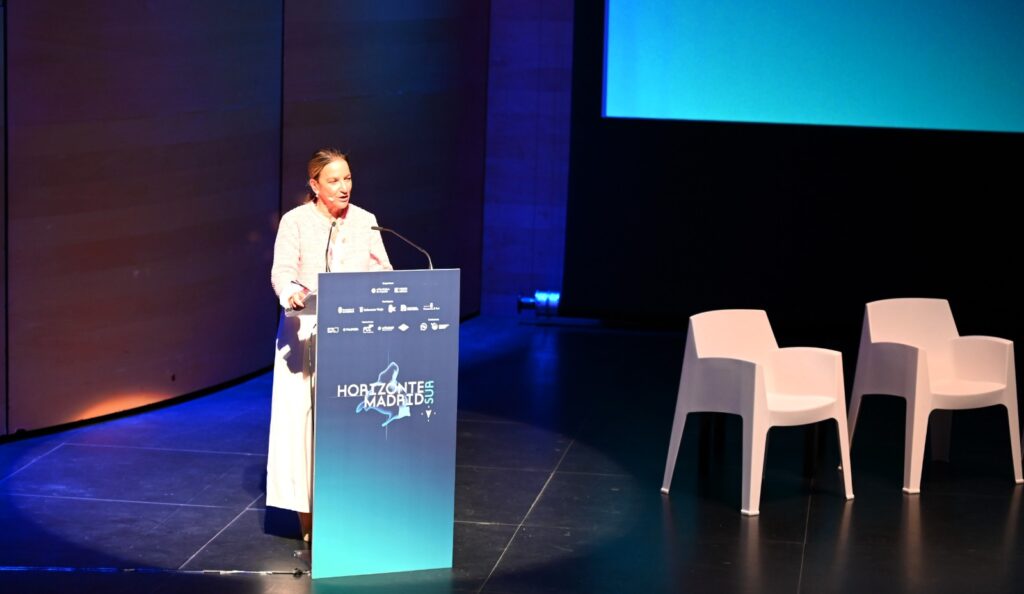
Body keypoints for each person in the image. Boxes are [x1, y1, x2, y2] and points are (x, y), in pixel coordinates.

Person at [266, 148, 392, 542]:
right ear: (315, 185)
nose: (343, 187)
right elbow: (283, 271)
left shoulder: (366, 222)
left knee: (350, 425)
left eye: (347, 178)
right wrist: (291, 293)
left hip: (353, 336)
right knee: (302, 426)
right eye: (334, 180)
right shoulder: (296, 222)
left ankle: (351, 508)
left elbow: (384, 272)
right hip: (304, 334)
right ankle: (308, 520)